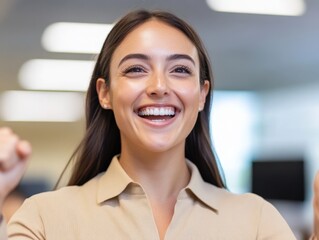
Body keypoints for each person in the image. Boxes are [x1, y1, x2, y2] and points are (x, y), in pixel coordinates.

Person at [0, 9, 315, 239]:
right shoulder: (44, 219)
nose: (159, 86)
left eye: (179, 69)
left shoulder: (256, 220)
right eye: (136, 69)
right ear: (105, 93)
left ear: (202, 94)